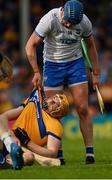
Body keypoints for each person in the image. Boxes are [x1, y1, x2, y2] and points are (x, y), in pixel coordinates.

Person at [25, 0, 99, 164]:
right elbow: (30, 45)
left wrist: (96, 72)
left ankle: (90, 153)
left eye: (73, 24)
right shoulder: (49, 19)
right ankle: (59, 154)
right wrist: (36, 71)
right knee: (54, 112)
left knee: (82, 108)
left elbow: (91, 46)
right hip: (52, 66)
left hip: (75, 64)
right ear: (63, 10)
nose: (68, 25)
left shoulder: (84, 22)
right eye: (67, 21)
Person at [0, 88, 69, 169]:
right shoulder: (35, 99)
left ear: (58, 112)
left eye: (54, 103)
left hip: (22, 150)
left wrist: (27, 142)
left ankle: (7, 163)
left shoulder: (55, 126)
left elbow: (52, 153)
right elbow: (3, 117)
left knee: (29, 157)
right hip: (6, 140)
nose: (50, 101)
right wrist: (11, 136)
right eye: (52, 98)